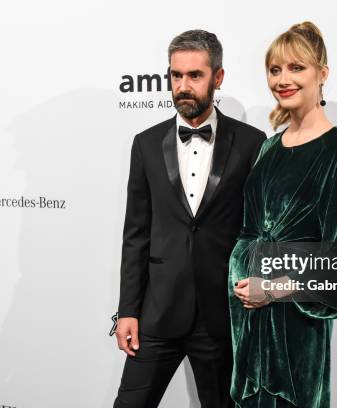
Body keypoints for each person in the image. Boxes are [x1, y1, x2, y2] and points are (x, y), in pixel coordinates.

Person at [114, 29, 267, 408]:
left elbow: (260, 226)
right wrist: (128, 310)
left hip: (221, 316)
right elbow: (136, 234)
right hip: (157, 312)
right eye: (175, 75)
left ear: (218, 78)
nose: (183, 85)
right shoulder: (146, 143)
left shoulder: (251, 142)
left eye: (194, 76)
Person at [229, 22, 337, 407]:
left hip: (294, 321)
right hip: (247, 315)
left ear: (322, 74)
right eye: (275, 70)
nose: (283, 80)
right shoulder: (268, 148)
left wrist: (271, 290)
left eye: (296, 68)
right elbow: (248, 228)